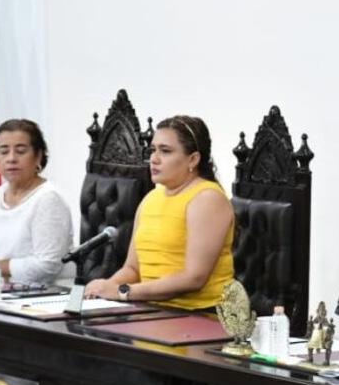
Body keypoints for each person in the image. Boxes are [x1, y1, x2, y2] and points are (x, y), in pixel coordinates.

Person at [84, 115, 235, 310]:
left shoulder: (207, 198)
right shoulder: (151, 199)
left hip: (204, 313)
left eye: (165, 151)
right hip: (153, 309)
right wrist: (105, 288)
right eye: (153, 150)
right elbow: (133, 269)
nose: (154, 159)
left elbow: (194, 278)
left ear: (193, 159)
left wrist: (123, 292)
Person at [0, 119, 73, 286]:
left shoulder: (48, 199)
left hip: (43, 294)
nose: (11, 158)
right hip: (0, 291)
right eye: (4, 151)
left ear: (38, 156)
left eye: (20, 151)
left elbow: (47, 265)